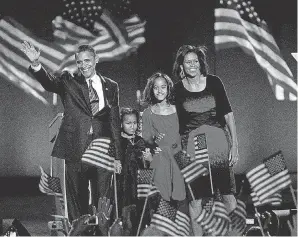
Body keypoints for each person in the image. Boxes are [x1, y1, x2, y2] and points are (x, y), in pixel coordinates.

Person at [21, 41, 123, 221]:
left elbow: (114, 121)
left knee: (104, 201)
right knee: (77, 201)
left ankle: (101, 232)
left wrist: (118, 156)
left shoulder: (111, 85)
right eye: (79, 62)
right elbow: (49, 83)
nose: (83, 65)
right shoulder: (69, 81)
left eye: (87, 60)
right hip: (76, 149)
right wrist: (36, 64)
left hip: (103, 149)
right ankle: (80, 232)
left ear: (96, 59)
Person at [172, 45, 239, 233]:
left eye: (195, 61)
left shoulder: (214, 82)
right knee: (195, 200)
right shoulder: (176, 90)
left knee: (228, 196)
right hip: (192, 148)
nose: (192, 65)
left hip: (218, 143)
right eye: (188, 62)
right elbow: (174, 124)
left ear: (200, 63)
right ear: (181, 66)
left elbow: (228, 114)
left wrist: (234, 146)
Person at [141, 72, 186, 203]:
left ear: (168, 88)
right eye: (156, 87)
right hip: (160, 159)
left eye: (163, 87)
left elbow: (184, 133)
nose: (159, 90)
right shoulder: (148, 113)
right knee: (162, 200)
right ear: (151, 89)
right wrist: (154, 146)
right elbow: (147, 139)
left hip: (178, 157)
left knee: (180, 198)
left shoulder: (178, 110)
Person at [118, 107, 152, 235]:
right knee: (126, 219)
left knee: (141, 216)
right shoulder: (119, 142)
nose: (132, 126)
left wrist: (149, 159)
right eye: (128, 123)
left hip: (140, 184)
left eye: (135, 123)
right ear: (121, 124)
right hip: (124, 184)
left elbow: (148, 163)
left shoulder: (140, 141)